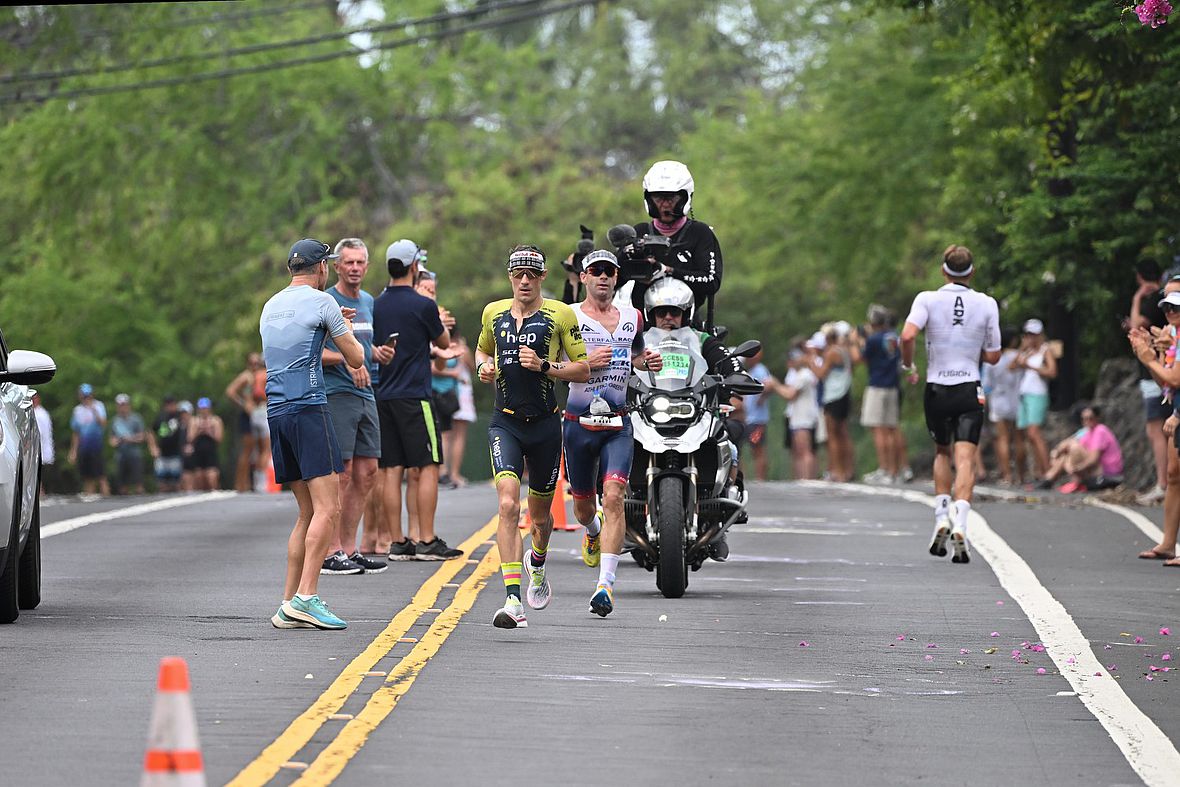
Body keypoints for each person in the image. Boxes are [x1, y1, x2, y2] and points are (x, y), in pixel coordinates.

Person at [475, 244, 590, 628]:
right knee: (508, 505)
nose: (525, 281)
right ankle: (512, 601)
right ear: (510, 276)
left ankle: (537, 566)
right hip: (504, 422)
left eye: (532, 275)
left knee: (540, 520)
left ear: (542, 277)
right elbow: (480, 351)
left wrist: (545, 366)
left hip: (544, 426)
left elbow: (583, 368)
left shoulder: (561, 313)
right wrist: (483, 368)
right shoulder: (493, 312)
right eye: (518, 274)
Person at [263, 238, 365, 631]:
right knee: (329, 508)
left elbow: (296, 338)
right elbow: (355, 357)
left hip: (277, 412)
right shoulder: (324, 304)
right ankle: (307, 596)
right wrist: (344, 326)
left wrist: (327, 324)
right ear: (322, 268)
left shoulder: (271, 304)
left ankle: (288, 602)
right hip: (309, 407)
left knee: (306, 511)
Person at [563, 249, 661, 616]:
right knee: (584, 506)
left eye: (609, 272)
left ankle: (605, 586)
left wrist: (646, 360)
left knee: (615, 495)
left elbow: (635, 354)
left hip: (618, 421)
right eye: (595, 271)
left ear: (616, 278)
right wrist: (585, 365)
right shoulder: (567, 316)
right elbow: (553, 365)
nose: (603, 277)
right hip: (578, 422)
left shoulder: (633, 317)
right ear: (584, 277)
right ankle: (592, 531)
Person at [632, 277, 749, 561]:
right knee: (615, 440)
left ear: (687, 313)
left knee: (729, 436)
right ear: (651, 313)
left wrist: (737, 375)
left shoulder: (702, 339)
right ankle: (612, 508)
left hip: (694, 406)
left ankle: (725, 504)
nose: (669, 317)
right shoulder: (638, 340)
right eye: (662, 312)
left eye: (676, 312)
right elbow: (619, 363)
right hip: (648, 407)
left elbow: (727, 361)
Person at [900, 244, 1001, 564]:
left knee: (942, 451)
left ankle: (941, 516)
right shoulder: (987, 304)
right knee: (966, 457)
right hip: (969, 387)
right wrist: (972, 348)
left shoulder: (926, 299)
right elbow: (995, 355)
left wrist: (909, 366)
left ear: (944, 270)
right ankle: (961, 523)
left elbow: (906, 336)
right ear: (971, 272)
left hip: (937, 388)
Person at [372, 239, 463, 562]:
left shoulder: (377, 304)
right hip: (415, 395)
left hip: (384, 395)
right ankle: (425, 539)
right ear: (413, 268)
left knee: (392, 469)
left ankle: (397, 540)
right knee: (427, 465)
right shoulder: (422, 304)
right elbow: (443, 340)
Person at [319, 237, 391, 576]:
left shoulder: (368, 301)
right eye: (349, 262)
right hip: (336, 393)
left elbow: (363, 344)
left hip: (367, 392)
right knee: (342, 473)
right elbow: (314, 352)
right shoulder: (326, 301)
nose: (355, 268)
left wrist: (376, 353)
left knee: (368, 472)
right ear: (336, 265)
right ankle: (330, 550)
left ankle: (350, 548)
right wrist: (346, 362)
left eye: (360, 262)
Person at [626, 160, 722, 322]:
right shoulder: (639, 232)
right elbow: (615, 281)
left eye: (671, 198)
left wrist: (668, 271)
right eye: (658, 198)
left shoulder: (700, 233)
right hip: (643, 328)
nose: (664, 205)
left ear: (685, 197)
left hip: (688, 327)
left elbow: (711, 281)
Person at [1130, 259, 1169, 504]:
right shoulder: (1164, 299)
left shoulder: (1154, 299)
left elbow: (1136, 325)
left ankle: (1163, 483)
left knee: (1156, 429)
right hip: (1160, 369)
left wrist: (1136, 299)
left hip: (1155, 371)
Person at [1035, 406, 1124, 493]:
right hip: (1095, 469)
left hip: (1106, 472)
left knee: (1074, 446)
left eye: (1090, 418)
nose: (1087, 421)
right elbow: (1067, 444)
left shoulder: (1100, 430)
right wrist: (1057, 454)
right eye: (1084, 419)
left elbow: (1093, 459)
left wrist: (1077, 469)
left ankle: (1067, 480)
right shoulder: (1088, 432)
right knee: (1068, 451)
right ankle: (1048, 479)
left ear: (1097, 418)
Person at [861, 305, 903, 484]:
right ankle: (895, 470)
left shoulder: (874, 339)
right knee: (891, 428)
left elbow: (863, 357)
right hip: (892, 385)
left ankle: (884, 468)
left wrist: (860, 341)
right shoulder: (894, 337)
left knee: (879, 429)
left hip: (877, 385)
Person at [1011, 318, 1057, 481]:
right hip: (1024, 394)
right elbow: (1011, 367)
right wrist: (1021, 350)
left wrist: (1031, 366)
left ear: (1040, 335)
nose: (1031, 338)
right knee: (1028, 436)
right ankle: (1038, 471)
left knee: (1034, 433)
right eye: (1029, 335)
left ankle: (1048, 472)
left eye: (1034, 335)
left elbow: (1052, 372)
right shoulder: (1026, 351)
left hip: (1038, 394)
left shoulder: (1046, 350)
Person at [816, 321, 860, 483]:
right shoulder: (845, 351)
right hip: (844, 393)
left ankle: (838, 471)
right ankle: (849, 470)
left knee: (833, 435)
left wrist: (810, 361)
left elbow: (821, 374)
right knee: (843, 433)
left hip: (833, 395)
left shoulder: (832, 352)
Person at [981, 327, 1024, 485]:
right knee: (1019, 439)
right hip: (1017, 400)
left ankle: (1007, 476)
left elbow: (987, 384)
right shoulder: (1019, 357)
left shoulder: (992, 359)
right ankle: (1021, 475)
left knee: (1003, 439)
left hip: (998, 400)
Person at [225, 352, 268, 492]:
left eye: (257, 363)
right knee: (248, 450)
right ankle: (240, 484)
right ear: (248, 364)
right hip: (248, 415)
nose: (255, 366)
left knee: (261, 449)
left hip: (259, 413)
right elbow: (230, 391)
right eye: (252, 363)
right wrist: (244, 404)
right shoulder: (246, 376)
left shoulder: (261, 375)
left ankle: (252, 484)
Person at [777, 345, 820, 479]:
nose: (790, 362)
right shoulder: (797, 375)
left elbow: (790, 394)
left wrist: (774, 385)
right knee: (798, 451)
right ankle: (801, 478)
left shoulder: (805, 375)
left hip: (804, 418)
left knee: (805, 451)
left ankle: (808, 478)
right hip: (798, 418)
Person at [446, 328, 477, 488]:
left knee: (446, 435)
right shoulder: (461, 349)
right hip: (462, 392)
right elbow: (472, 368)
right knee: (458, 436)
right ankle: (454, 474)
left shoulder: (439, 347)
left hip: (445, 393)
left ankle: (444, 473)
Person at [69, 383, 109, 497]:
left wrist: (94, 410)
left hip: (96, 444)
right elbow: (76, 432)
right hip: (84, 445)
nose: (86, 398)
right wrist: (73, 451)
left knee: (100, 473)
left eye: (88, 395)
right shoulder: (77, 410)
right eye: (84, 396)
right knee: (86, 475)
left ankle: (106, 495)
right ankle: (89, 494)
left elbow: (103, 423)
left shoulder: (99, 406)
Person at [740, 347, 773, 481]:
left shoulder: (760, 369)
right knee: (748, 448)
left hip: (757, 420)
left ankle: (761, 478)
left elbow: (769, 385)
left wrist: (762, 398)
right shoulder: (751, 371)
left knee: (757, 448)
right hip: (749, 419)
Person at [109, 393, 147, 495]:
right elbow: (111, 439)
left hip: (134, 454)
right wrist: (116, 442)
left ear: (128, 405)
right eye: (120, 405)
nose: (122, 407)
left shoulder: (136, 419)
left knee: (138, 482)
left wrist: (130, 439)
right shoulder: (115, 421)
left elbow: (142, 436)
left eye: (124, 405)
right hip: (121, 455)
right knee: (122, 484)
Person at [147, 396, 184, 493]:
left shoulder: (180, 417)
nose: (171, 407)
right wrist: (153, 447)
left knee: (176, 482)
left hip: (176, 453)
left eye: (172, 404)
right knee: (162, 482)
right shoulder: (160, 418)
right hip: (162, 454)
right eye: (168, 404)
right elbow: (150, 432)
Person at [188, 397, 224, 490]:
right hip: (198, 453)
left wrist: (209, 432)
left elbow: (219, 439)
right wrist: (199, 431)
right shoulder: (194, 421)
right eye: (202, 408)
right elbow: (190, 438)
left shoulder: (216, 421)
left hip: (210, 453)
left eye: (205, 408)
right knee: (199, 478)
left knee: (211, 477)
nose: (204, 410)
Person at [32, 391, 53, 494]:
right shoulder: (39, 412)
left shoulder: (41, 414)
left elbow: (40, 432)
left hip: (40, 447)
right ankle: (40, 490)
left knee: (37, 471)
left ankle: (40, 491)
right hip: (39, 448)